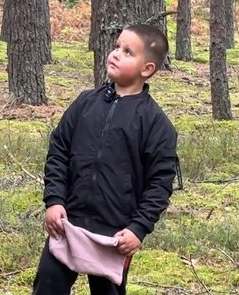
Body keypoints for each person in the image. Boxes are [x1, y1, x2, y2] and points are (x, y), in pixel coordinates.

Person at [32, 24, 179, 295]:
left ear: (147, 69)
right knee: (48, 287)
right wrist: (54, 200)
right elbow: (59, 151)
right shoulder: (85, 103)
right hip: (68, 222)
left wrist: (138, 228)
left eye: (127, 52)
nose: (116, 54)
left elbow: (159, 184)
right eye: (116, 47)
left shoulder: (155, 124)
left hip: (115, 233)